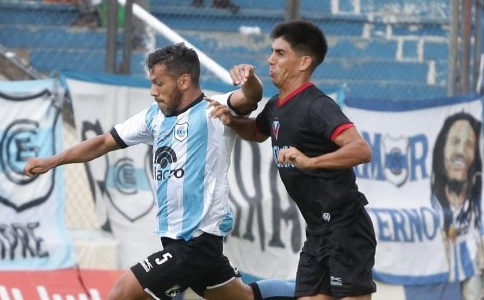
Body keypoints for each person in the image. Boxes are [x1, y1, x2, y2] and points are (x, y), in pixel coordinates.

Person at [23, 43, 295, 300]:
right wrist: (53, 161)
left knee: (122, 293)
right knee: (243, 296)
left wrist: (248, 79)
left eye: (158, 83)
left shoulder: (213, 110)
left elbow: (250, 97)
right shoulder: (153, 117)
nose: (153, 90)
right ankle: (312, 289)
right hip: (175, 239)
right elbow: (103, 141)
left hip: (196, 241)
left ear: (184, 81)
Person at [209, 20, 377, 300]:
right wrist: (232, 119)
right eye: (272, 52)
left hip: (346, 227)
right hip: (317, 231)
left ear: (303, 63)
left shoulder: (317, 106)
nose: (270, 59)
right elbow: (256, 132)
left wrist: (311, 162)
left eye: (280, 53)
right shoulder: (276, 105)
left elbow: (361, 150)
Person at [431, 112, 484, 300]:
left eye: (469, 145)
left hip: (471, 275)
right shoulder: (429, 203)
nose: (461, 151)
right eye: (455, 141)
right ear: (442, 148)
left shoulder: (479, 202)